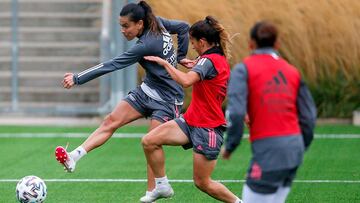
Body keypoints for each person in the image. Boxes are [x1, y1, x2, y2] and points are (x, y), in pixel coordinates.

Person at [54, 0, 191, 200]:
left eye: (126, 26)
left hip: (168, 100)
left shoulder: (144, 45)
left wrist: (77, 78)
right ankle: (74, 156)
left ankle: (154, 190)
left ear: (140, 24)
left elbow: (111, 65)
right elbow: (183, 28)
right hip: (147, 90)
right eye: (120, 25)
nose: (122, 30)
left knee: (151, 143)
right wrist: (180, 57)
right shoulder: (157, 23)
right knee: (111, 120)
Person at [141, 16, 243, 203]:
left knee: (202, 182)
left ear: (202, 41)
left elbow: (187, 81)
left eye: (194, 42)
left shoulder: (209, 60)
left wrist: (165, 63)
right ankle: (162, 186)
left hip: (208, 128)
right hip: (190, 122)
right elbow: (201, 71)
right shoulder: (211, 58)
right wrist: (188, 63)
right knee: (149, 141)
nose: (193, 46)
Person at [222, 21, 317, 203]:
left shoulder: (243, 70)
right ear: (277, 44)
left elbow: (236, 112)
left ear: (251, 44)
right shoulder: (292, 71)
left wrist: (231, 145)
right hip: (295, 150)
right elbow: (309, 117)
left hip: (269, 150)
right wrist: (299, 145)